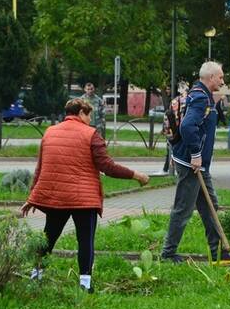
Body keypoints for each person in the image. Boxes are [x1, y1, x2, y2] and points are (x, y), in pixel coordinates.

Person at [20, 98, 150, 292]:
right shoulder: (91, 134)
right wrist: (135, 175)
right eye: (89, 115)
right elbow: (107, 166)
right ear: (81, 112)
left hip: (57, 198)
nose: (90, 119)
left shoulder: (49, 133)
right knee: (85, 240)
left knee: (48, 237)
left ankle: (36, 276)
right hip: (83, 199)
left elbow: (40, 168)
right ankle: (84, 284)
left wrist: (31, 197)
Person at [160, 61, 230, 264]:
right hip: (191, 163)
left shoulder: (202, 96)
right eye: (220, 77)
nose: (223, 81)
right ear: (211, 77)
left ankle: (218, 253)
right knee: (183, 208)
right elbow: (188, 127)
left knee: (210, 206)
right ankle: (168, 254)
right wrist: (196, 154)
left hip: (198, 163)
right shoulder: (200, 97)